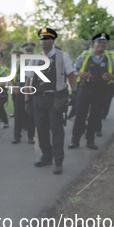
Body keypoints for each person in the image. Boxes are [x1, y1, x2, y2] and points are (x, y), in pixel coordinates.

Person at [27, 27, 77, 175]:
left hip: (56, 98)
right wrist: (27, 101)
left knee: (56, 130)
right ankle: (46, 156)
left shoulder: (63, 56)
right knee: (41, 130)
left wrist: (74, 92)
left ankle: (58, 161)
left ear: (53, 40)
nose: (44, 41)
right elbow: (29, 80)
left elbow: (71, 75)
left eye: (47, 38)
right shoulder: (35, 58)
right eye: (42, 39)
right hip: (38, 99)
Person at [69, 33, 114, 150]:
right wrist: (80, 74)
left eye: (104, 43)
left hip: (101, 90)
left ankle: (90, 141)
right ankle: (75, 141)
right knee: (80, 116)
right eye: (99, 42)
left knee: (95, 116)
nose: (101, 45)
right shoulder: (84, 55)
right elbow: (72, 70)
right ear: (94, 43)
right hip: (85, 89)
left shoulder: (111, 57)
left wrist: (112, 76)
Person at [13, 43, 36, 144]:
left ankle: (31, 137)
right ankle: (16, 136)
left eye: (31, 51)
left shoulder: (37, 62)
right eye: (27, 51)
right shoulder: (18, 63)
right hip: (19, 92)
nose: (29, 53)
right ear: (24, 52)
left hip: (32, 94)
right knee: (18, 116)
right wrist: (14, 88)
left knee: (31, 116)